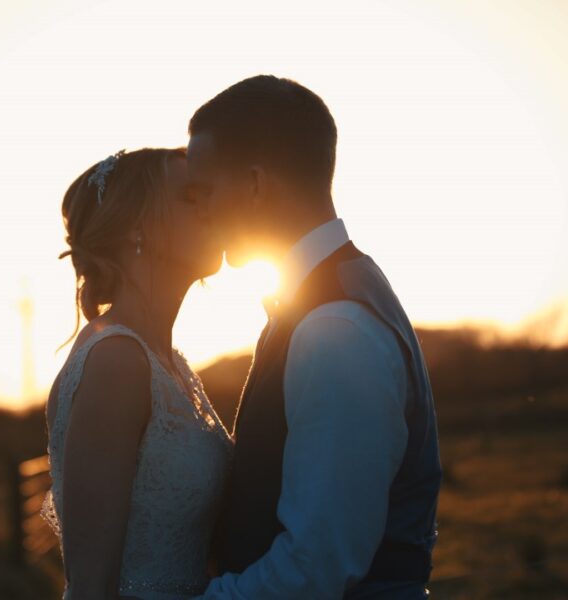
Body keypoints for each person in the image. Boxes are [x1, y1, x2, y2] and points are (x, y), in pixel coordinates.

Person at [186, 75, 443, 599]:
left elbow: (315, 568)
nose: (200, 210)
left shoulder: (334, 329)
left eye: (205, 190)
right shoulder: (330, 297)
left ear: (254, 185)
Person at [42, 147, 233, 599]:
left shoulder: (170, 363)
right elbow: (90, 585)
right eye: (191, 196)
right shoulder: (117, 363)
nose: (212, 207)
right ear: (136, 228)